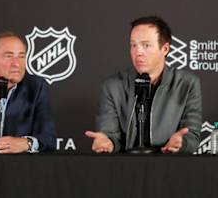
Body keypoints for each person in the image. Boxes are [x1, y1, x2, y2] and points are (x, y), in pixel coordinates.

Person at [85, 16, 202, 153]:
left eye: (146, 45)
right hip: (125, 168)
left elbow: (192, 136)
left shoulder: (187, 84)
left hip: (169, 166)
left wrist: (182, 143)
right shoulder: (112, 86)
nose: (138, 52)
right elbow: (110, 134)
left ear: (164, 49)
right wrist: (108, 142)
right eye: (133, 45)